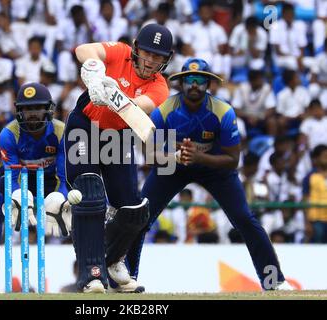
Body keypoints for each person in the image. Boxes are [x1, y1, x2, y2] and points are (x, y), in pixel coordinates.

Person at [121, 58, 293, 291]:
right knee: (140, 219)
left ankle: (274, 281)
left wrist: (199, 157)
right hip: (174, 167)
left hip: (215, 168)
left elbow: (233, 161)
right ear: (180, 83)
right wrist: (176, 155)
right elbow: (150, 154)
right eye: (189, 80)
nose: (194, 85)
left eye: (200, 80)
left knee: (244, 219)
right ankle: (127, 280)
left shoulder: (223, 112)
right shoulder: (164, 111)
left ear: (209, 84)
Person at [64, 23, 173, 293]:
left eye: (158, 57)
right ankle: (91, 274)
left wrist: (111, 94)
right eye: (147, 53)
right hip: (84, 126)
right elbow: (83, 49)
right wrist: (95, 72)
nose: (151, 61)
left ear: (166, 60)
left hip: (118, 135)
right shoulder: (120, 52)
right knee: (90, 193)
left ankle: (112, 261)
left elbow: (137, 109)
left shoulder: (160, 87)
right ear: (136, 48)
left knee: (135, 211)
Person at [0, 83, 72, 293]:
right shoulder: (9, 134)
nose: (32, 114)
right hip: (17, 182)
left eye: (37, 108)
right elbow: (12, 176)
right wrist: (18, 195)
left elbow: (64, 176)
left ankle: (93, 274)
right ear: (19, 111)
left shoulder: (62, 131)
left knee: (83, 201)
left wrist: (60, 198)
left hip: (52, 182)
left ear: (48, 109)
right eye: (27, 109)